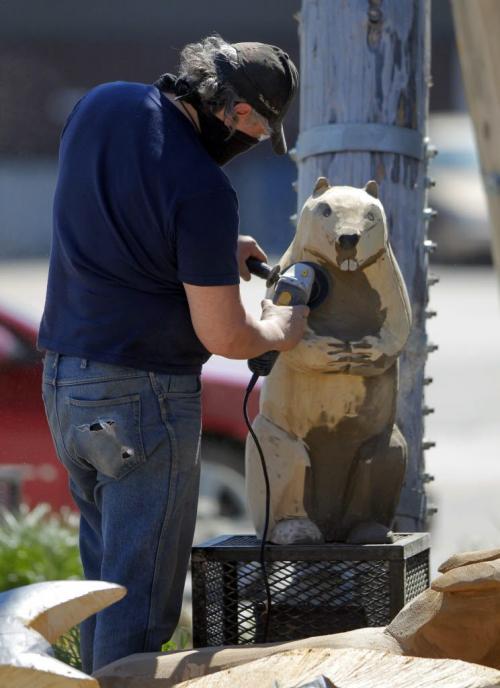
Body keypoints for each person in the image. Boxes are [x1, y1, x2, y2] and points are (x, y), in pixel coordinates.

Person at [38, 35, 307, 673]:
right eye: (260, 128)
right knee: (139, 605)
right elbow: (227, 337)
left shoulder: (102, 105)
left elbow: (120, 213)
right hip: (141, 400)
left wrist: (209, 252)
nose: (251, 143)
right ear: (240, 115)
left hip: (66, 382)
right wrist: (281, 327)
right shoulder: (203, 189)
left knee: (104, 582)